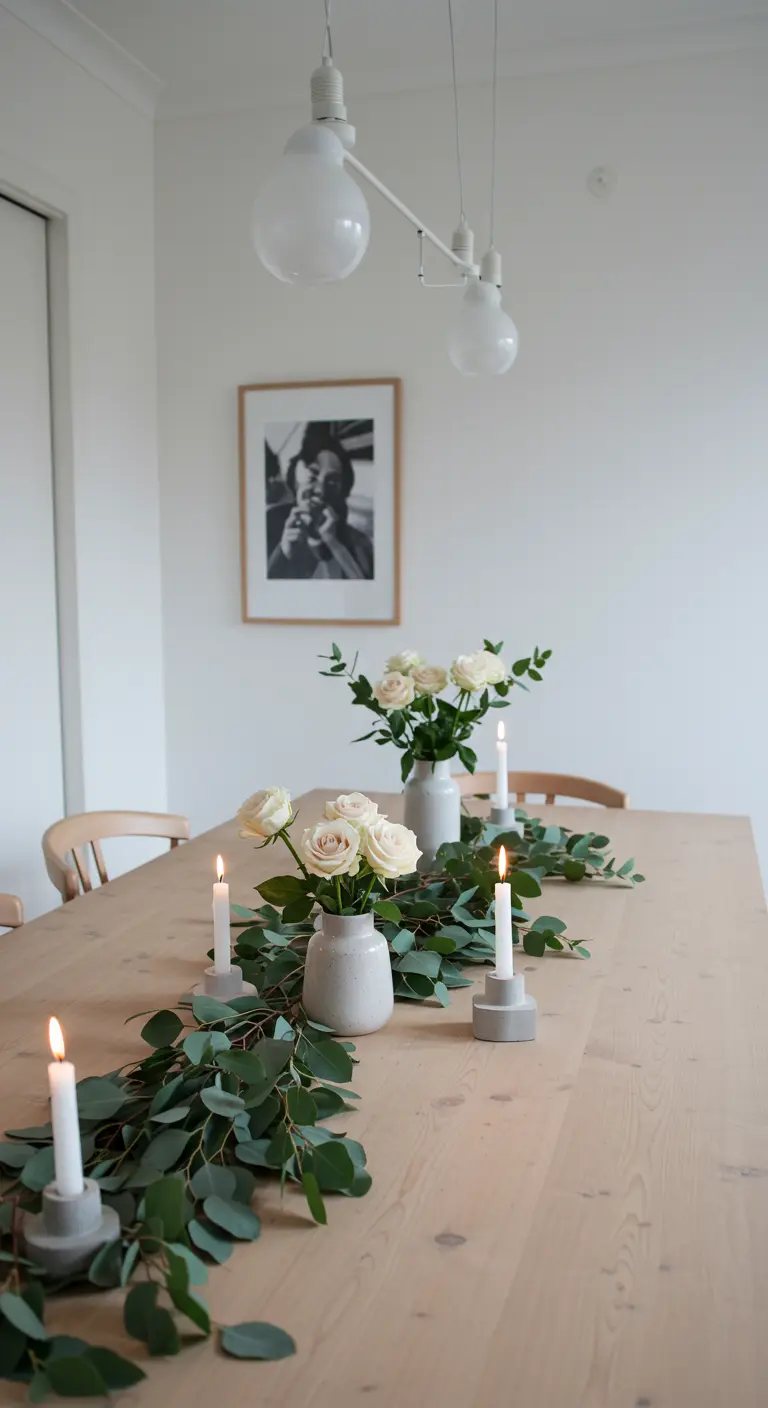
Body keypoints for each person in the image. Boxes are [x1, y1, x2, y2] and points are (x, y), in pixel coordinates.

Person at [266, 425, 374, 580]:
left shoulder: (359, 543)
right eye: (312, 474)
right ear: (295, 472)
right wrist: (283, 552)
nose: (320, 490)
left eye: (332, 482)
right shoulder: (270, 522)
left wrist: (333, 543)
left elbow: (367, 594)